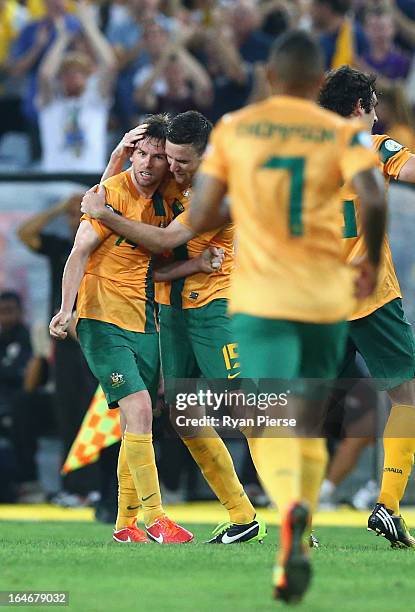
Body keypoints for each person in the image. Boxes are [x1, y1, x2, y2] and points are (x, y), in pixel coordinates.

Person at [187, 31, 386, 603]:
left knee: (276, 413)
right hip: (326, 294)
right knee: (313, 410)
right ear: (316, 81)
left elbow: (202, 212)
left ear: (271, 77)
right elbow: (372, 195)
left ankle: (289, 506)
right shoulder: (341, 131)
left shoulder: (234, 129)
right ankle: (309, 507)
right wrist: (369, 260)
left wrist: (243, 201)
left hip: (261, 295)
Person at [81, 111, 267, 545]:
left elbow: (160, 240)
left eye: (183, 162)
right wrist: (117, 158)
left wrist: (104, 214)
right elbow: (112, 196)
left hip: (215, 306)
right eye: (170, 158)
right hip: (169, 310)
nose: (173, 168)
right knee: (179, 415)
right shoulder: (166, 176)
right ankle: (241, 516)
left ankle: (302, 514)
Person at [49, 115, 192, 545]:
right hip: (100, 317)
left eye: (156, 156)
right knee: (141, 409)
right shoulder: (110, 192)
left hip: (144, 318)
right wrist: (66, 309)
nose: (146, 163)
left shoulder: (169, 198)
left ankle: (124, 525)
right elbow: (78, 252)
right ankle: (156, 517)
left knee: (138, 420)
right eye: (139, 153)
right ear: (132, 152)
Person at [319, 64, 415, 547]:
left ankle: (298, 513)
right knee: (409, 396)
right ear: (360, 107)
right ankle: (388, 505)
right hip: (369, 297)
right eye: (374, 108)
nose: (377, 119)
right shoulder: (373, 148)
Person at [17, 193, 98, 500]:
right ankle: (74, 488)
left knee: (102, 414)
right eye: (70, 216)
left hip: (100, 337)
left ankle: (102, 487)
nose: (72, 221)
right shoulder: (61, 248)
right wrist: (57, 208)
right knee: (69, 414)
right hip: (65, 344)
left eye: (78, 215)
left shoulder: (106, 248)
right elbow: (24, 233)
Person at [37, 1, 116, 173]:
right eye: (67, 71)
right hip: (53, 181)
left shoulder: (96, 100)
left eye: (79, 71)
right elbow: (45, 75)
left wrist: (89, 26)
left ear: (88, 77)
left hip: (90, 181)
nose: (73, 75)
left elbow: (109, 64)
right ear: (60, 78)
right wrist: (62, 37)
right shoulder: (51, 103)